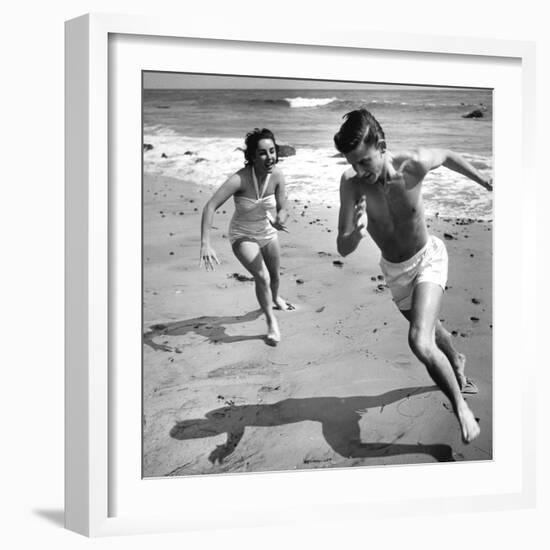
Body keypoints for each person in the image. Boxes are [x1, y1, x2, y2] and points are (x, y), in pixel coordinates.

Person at [334, 108, 493, 444]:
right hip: (396, 273)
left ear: (381, 146)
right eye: (352, 163)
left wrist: (482, 180)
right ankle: (457, 358)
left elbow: (447, 156)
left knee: (419, 340)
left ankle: (460, 406)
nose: (359, 171)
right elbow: (343, 248)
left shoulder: (413, 165)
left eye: (364, 161)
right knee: (432, 332)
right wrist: (357, 233)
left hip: (428, 259)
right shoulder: (351, 186)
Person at [200, 128, 292, 346]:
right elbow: (210, 206)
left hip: (268, 233)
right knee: (263, 278)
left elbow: (284, 205)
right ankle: (271, 323)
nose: (269, 157)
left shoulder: (277, 175)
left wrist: (281, 217)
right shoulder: (239, 179)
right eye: (262, 153)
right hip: (243, 235)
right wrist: (206, 243)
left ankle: (275, 298)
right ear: (252, 156)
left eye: (272, 151)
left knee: (275, 277)